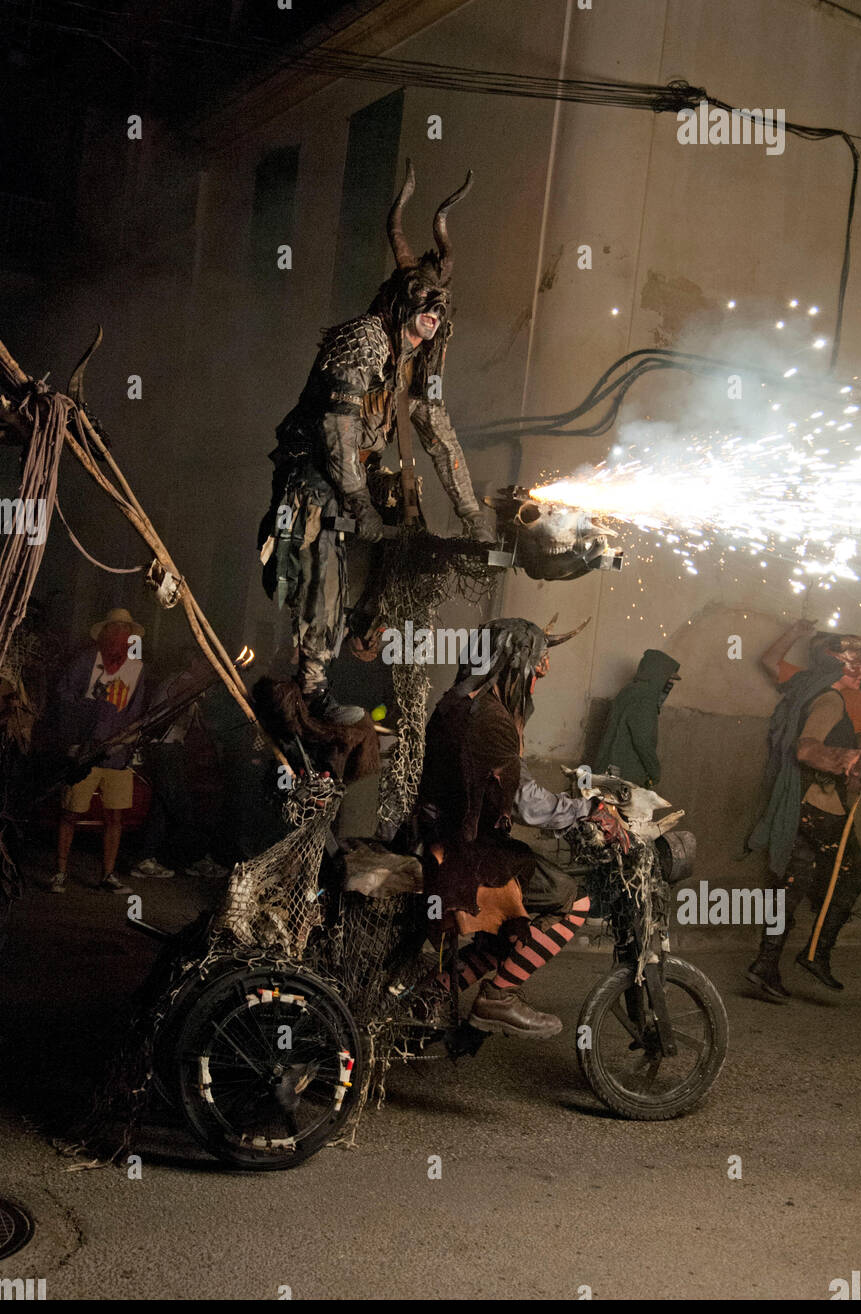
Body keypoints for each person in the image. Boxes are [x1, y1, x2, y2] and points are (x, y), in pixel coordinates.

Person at [257, 159, 495, 723]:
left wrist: (470, 516)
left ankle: (360, 643)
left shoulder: (418, 360)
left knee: (393, 551)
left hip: (359, 474)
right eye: (424, 299)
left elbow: (439, 434)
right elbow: (336, 426)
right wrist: (357, 500)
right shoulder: (364, 339)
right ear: (399, 300)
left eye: (441, 304)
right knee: (324, 570)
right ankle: (312, 684)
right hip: (314, 471)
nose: (433, 311)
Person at [416, 618, 627, 1039]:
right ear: (513, 663)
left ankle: (434, 991)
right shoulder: (487, 718)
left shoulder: (457, 702)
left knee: (519, 921)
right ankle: (498, 998)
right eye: (534, 665)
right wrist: (585, 809)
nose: (538, 676)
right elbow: (525, 802)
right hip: (462, 853)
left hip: (442, 835)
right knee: (572, 900)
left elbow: (512, 781)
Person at [746, 636, 861, 1000]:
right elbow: (806, 749)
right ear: (834, 665)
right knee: (854, 875)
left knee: (791, 885)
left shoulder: (817, 691)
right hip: (819, 807)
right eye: (854, 664)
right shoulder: (831, 701)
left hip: (800, 805)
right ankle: (816, 953)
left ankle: (765, 965)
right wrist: (848, 760)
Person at [50, 608, 147, 893]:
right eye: (115, 628)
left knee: (114, 815)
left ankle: (108, 875)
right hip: (84, 750)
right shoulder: (86, 661)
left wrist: (126, 740)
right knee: (71, 812)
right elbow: (63, 694)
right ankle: (60, 872)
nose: (120, 634)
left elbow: (136, 710)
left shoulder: (137, 668)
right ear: (106, 632)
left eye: (125, 629)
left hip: (117, 754)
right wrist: (86, 709)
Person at [130, 651, 226, 880]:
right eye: (206, 664)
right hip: (164, 748)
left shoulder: (190, 683)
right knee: (180, 807)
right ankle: (195, 858)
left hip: (170, 748)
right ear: (193, 661)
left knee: (162, 807)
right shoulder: (183, 680)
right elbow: (178, 700)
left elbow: (201, 722)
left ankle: (146, 858)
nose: (208, 669)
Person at [761, 618, 861, 750]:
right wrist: (794, 633)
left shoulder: (855, 695)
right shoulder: (806, 681)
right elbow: (769, 662)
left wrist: (856, 762)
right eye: (855, 665)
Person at [593, 649, 681, 788]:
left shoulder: (630, 690)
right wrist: (654, 772)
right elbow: (642, 741)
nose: (669, 684)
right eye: (668, 679)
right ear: (658, 674)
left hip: (607, 771)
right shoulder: (645, 698)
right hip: (623, 777)